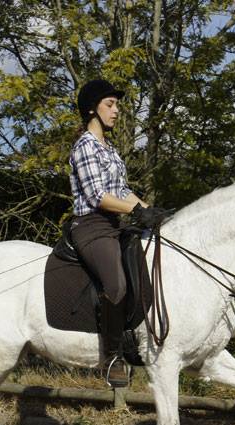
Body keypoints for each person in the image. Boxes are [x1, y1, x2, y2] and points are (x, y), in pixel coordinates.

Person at [69, 79, 166, 387]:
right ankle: (111, 357)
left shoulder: (110, 150)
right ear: (92, 110)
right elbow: (98, 196)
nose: (117, 111)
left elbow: (122, 190)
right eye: (110, 105)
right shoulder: (85, 146)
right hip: (91, 227)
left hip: (114, 225)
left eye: (117, 105)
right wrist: (135, 211)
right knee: (116, 283)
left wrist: (154, 211)